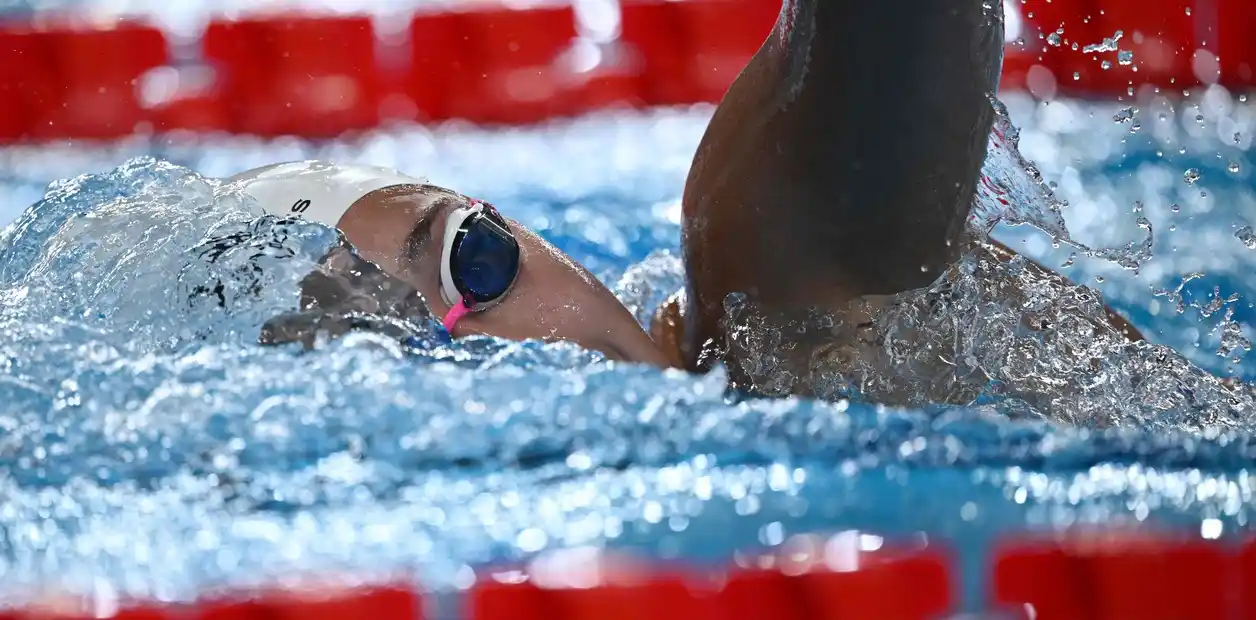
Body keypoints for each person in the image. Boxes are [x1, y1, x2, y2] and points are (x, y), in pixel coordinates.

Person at [230, 0, 1140, 395]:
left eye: (477, 259)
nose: (495, 354)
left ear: (529, 235)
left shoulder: (766, 285)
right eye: (403, 359)